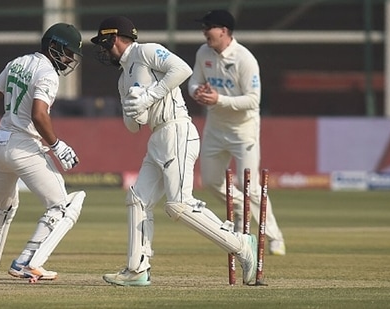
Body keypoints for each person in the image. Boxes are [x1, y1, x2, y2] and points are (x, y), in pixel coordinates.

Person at [90, 16, 258, 286]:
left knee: (179, 205)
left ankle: (240, 244)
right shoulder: (123, 79)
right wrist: (135, 111)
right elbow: (134, 127)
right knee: (138, 199)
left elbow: (181, 69)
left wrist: (149, 95)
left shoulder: (145, 51)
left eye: (104, 43)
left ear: (115, 38)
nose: (103, 50)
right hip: (157, 137)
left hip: (177, 130)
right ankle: (137, 269)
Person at [0, 22, 86, 281]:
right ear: (53, 46)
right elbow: (39, 114)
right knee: (61, 207)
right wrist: (57, 145)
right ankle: (26, 262)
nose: (69, 59)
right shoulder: (48, 74)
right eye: (67, 52)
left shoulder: (17, 62)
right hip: (24, 146)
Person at [187, 9, 286, 255]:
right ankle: (242, 210)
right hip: (215, 128)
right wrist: (197, 92)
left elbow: (253, 100)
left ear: (224, 31)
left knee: (250, 186)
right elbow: (193, 82)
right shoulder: (203, 53)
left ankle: (274, 237)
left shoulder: (245, 59)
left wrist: (218, 99)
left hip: (243, 131)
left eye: (208, 27)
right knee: (210, 181)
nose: (204, 32)